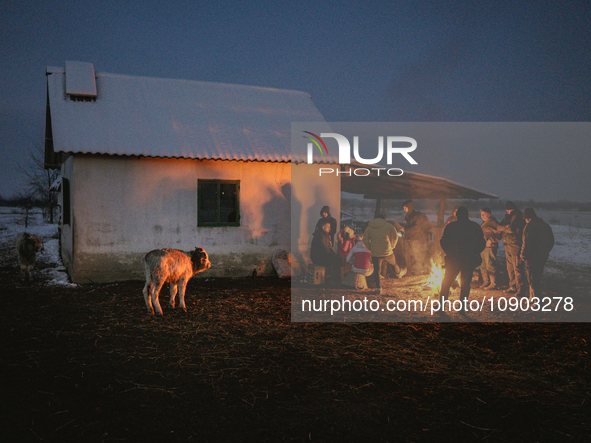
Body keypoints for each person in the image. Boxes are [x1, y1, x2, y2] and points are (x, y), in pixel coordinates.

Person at [439, 206, 486, 313]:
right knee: (465, 284)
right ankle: (462, 308)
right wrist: (475, 252)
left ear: (457, 215)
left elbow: (443, 242)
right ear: (467, 215)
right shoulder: (475, 227)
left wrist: (449, 252)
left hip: (453, 260)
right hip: (469, 260)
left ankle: (441, 307)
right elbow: (482, 243)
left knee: (446, 283)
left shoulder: (451, 227)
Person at [363, 214, 407, 295]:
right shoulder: (388, 226)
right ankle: (398, 273)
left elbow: (365, 239)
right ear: (384, 219)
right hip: (387, 251)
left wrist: (371, 248)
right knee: (394, 264)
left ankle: (379, 289)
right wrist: (392, 245)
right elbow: (395, 236)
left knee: (377, 270)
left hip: (376, 252)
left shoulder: (369, 227)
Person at [521, 208, 554, 302]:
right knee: (537, 275)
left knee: (532, 277)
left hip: (532, 256)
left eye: (525, 219)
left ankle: (537, 300)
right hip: (543, 255)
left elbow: (526, 243)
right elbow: (551, 241)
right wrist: (546, 250)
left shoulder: (529, 227)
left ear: (528, 218)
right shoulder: (545, 225)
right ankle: (532, 297)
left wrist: (523, 255)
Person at [496, 201, 526, 296]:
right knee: (510, 268)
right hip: (508, 244)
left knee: (517, 267)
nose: (507, 212)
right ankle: (512, 286)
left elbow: (511, 229)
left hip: (515, 245)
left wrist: (504, 228)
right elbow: (498, 226)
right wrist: (506, 227)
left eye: (508, 210)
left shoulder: (517, 216)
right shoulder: (507, 216)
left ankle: (520, 288)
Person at [400, 200, 429, 275]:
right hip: (408, 239)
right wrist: (403, 231)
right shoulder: (407, 216)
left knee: (417, 255)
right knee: (407, 256)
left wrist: (405, 229)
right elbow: (407, 226)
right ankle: (408, 273)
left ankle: (418, 272)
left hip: (416, 239)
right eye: (403, 208)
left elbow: (416, 228)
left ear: (409, 207)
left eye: (405, 207)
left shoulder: (416, 216)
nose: (404, 209)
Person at [479, 207, 501, 290]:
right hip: (483, 246)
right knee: (482, 264)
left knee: (490, 264)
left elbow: (499, 234)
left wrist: (491, 240)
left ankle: (493, 283)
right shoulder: (484, 223)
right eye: (481, 215)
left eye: (484, 214)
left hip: (490, 247)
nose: (482, 216)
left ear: (489, 214)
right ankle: (486, 281)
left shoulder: (493, 222)